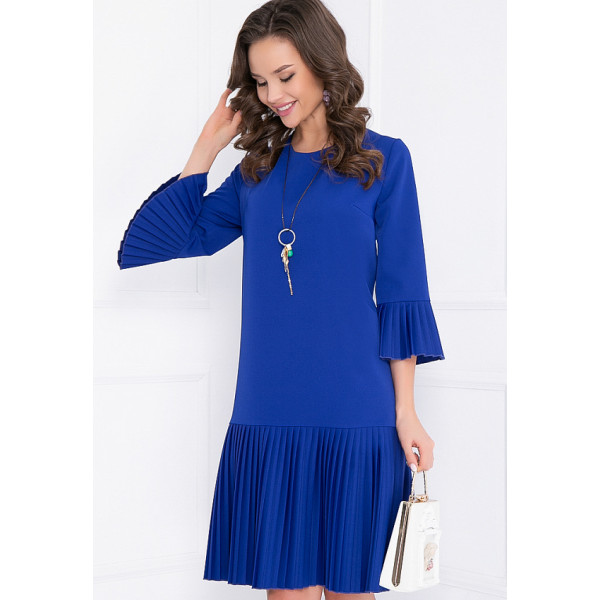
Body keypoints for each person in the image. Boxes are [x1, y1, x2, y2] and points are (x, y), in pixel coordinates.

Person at [117, 0, 445, 597]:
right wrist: (207, 147)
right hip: (269, 404)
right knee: (285, 589)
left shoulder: (384, 161)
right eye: (260, 81)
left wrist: (406, 411)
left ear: (323, 64)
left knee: (351, 586)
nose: (272, 95)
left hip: (357, 406)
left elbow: (403, 291)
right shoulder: (256, 172)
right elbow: (155, 243)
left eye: (285, 76)